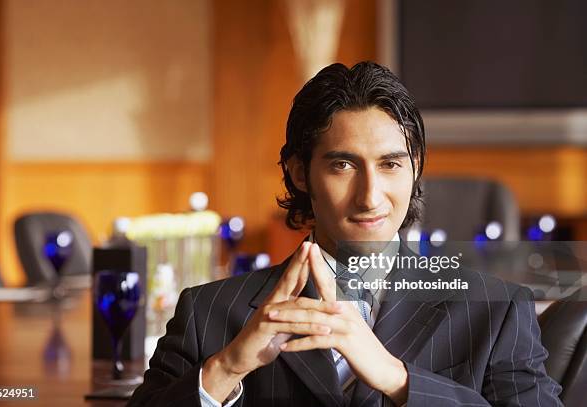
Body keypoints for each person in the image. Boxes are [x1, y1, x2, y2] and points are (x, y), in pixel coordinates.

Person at [128, 62, 562, 406]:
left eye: (390, 164)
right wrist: (228, 367)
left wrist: (399, 380)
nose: (370, 196)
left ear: (415, 171)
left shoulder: (498, 309)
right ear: (300, 174)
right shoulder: (207, 313)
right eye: (343, 166)